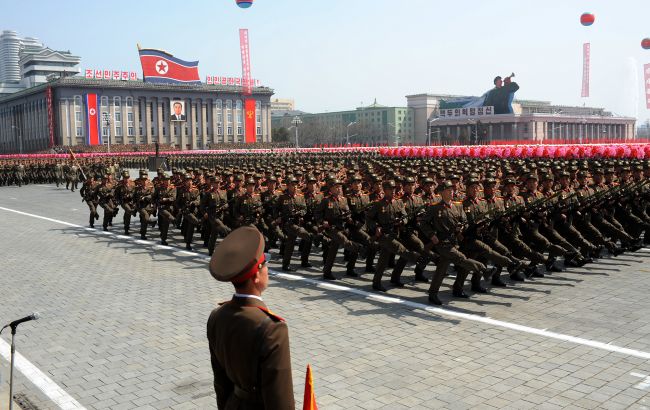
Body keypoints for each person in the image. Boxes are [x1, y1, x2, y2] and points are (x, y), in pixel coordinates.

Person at [207, 226, 294, 409]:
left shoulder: (217, 316)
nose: (268, 268)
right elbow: (280, 399)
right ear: (256, 275)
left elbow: (221, 382)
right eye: (265, 262)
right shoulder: (272, 329)